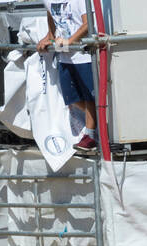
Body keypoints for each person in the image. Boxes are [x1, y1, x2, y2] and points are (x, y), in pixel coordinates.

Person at [41, 0, 99, 149]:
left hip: (83, 54)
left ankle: (90, 135)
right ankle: (98, 122)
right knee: (72, 98)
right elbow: (51, 14)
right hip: (65, 56)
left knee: (89, 98)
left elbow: (88, 24)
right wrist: (50, 36)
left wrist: (69, 42)